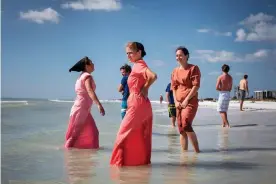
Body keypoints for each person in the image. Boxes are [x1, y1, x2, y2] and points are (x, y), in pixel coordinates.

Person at [110, 42, 157, 166]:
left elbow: (153, 76)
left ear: (139, 52)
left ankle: (118, 166)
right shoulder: (137, 65)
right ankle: (136, 164)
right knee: (137, 134)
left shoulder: (139, 64)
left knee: (122, 133)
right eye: (127, 53)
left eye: (130, 53)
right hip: (139, 103)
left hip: (137, 103)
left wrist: (146, 87)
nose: (128, 56)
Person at [65, 56, 105, 149]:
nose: (93, 64)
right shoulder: (87, 76)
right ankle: (67, 155)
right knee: (75, 135)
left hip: (83, 109)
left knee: (93, 132)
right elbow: (90, 91)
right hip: (81, 109)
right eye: (91, 62)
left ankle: (88, 157)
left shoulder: (81, 76)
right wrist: (99, 105)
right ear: (86, 66)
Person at [171, 46, 200, 153]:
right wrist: (175, 101)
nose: (178, 57)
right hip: (178, 102)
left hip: (190, 101)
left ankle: (197, 152)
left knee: (186, 124)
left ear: (186, 56)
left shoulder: (193, 68)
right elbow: (174, 87)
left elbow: (196, 86)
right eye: (177, 56)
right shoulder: (174, 71)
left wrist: (186, 100)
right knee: (181, 129)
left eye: (181, 55)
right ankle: (184, 155)